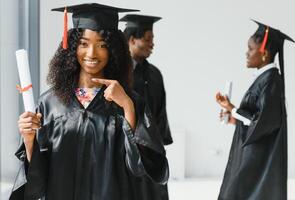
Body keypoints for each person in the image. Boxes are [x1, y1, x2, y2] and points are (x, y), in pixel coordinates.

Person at [9, 3, 169, 200]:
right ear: (71, 48)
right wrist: (29, 140)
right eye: (84, 44)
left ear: (113, 50)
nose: (92, 53)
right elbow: (37, 180)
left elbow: (145, 169)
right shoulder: (50, 104)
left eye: (102, 45)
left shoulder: (130, 102)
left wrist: (127, 107)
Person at [216, 20, 295, 200]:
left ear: (264, 53)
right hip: (253, 155)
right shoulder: (264, 79)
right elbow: (257, 119)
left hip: (259, 159)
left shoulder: (271, 81)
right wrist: (234, 118)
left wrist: (233, 108)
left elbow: (263, 122)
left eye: (250, 49)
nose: (246, 53)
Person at [119, 14, 172, 200]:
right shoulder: (118, 74)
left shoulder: (155, 74)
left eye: (152, 40)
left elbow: (160, 112)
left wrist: (158, 142)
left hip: (151, 147)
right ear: (132, 40)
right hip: (125, 147)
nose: (152, 44)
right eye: (148, 39)